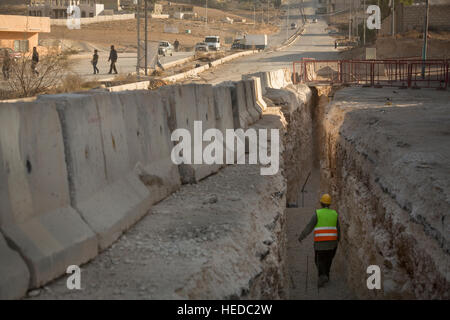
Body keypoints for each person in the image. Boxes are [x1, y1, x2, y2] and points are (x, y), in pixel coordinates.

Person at [298, 193, 340, 288]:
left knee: (319, 261)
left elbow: (309, 226)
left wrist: (302, 236)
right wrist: (339, 239)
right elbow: (338, 229)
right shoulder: (334, 214)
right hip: (332, 244)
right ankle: (326, 276)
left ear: (321, 203)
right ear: (329, 204)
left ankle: (322, 275)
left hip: (320, 243)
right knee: (328, 260)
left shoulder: (317, 213)